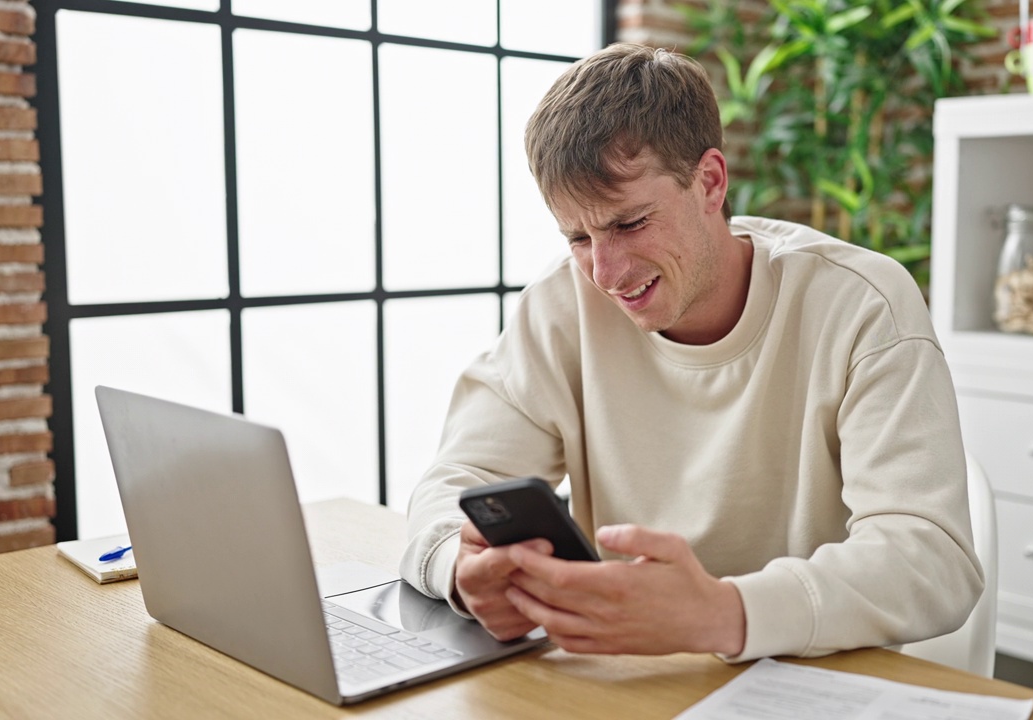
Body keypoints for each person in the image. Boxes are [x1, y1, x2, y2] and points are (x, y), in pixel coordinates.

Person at [399, 43, 982, 662]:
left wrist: (722, 614)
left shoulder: (863, 304)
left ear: (709, 181)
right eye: (577, 235)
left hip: (806, 676)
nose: (605, 272)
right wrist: (457, 567)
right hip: (628, 676)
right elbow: (458, 480)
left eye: (629, 223)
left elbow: (932, 556)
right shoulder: (562, 305)